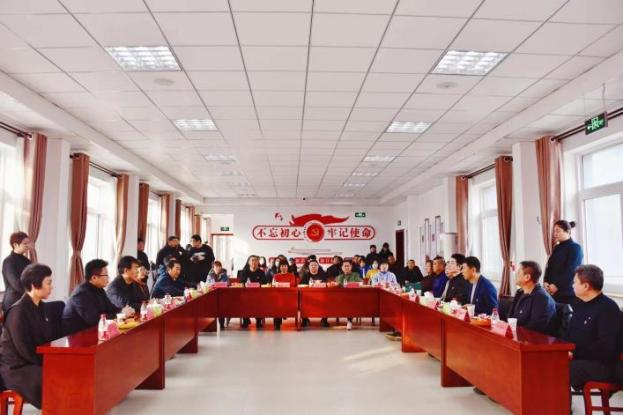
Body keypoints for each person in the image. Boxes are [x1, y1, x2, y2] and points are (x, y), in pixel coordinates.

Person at [0, 263, 55, 409]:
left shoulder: (41, 307)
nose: (51, 287)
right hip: (17, 368)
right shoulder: (18, 311)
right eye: (48, 283)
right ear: (34, 285)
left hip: (33, 361)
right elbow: (25, 350)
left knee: (66, 371)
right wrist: (49, 363)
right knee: (54, 378)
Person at [563, 265, 622, 391]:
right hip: (580, 357)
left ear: (586, 286)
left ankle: (557, 403)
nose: (572, 285)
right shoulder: (580, 304)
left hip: (603, 364)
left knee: (561, 368)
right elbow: (570, 333)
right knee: (549, 361)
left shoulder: (608, 308)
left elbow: (606, 347)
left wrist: (575, 353)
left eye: (575, 282)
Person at [62, 259, 134, 335]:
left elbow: (111, 308)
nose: (108, 278)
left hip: (94, 331)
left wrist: (123, 310)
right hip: (76, 336)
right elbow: (94, 319)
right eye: (106, 275)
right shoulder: (81, 294)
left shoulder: (99, 289)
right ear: (94, 278)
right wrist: (121, 314)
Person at [507, 261, 556, 334]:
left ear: (527, 277)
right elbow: (511, 317)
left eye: (518, 272)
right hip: (517, 334)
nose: (516, 275)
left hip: (534, 338)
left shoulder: (542, 298)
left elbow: (534, 329)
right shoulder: (520, 292)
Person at [543, 220, 584, 304]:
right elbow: (549, 266)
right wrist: (546, 281)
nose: (555, 234)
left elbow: (571, 270)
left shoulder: (575, 247)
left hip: (568, 294)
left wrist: (556, 285)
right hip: (552, 292)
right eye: (554, 231)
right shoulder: (557, 247)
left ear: (568, 231)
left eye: (557, 231)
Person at [2, 231, 31, 314]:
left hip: (26, 300)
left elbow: (33, 279)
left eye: (28, 243)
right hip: (13, 303)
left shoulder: (27, 261)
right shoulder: (8, 262)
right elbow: (17, 285)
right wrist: (33, 293)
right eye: (25, 244)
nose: (28, 246)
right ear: (15, 245)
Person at [240, 255, 268, 329]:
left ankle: (258, 320)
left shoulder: (261, 272)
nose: (254, 262)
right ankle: (246, 320)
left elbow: (264, 284)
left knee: (260, 302)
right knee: (243, 301)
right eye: (252, 260)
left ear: (258, 262)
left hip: (258, 294)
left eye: (256, 260)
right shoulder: (244, 272)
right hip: (246, 294)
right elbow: (241, 283)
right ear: (249, 262)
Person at [300, 260, 329, 327]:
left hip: (321, 296)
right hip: (308, 297)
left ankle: (324, 320)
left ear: (318, 266)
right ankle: (304, 320)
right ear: (309, 267)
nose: (313, 266)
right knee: (301, 301)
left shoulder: (323, 274)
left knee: (327, 301)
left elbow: (326, 284)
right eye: (312, 265)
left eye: (315, 265)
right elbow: (301, 285)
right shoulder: (306, 275)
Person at [336, 260, 362, 330]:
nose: (346, 267)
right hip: (341, 297)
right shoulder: (339, 276)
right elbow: (337, 286)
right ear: (342, 268)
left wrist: (348, 285)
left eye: (348, 266)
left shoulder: (356, 274)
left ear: (351, 267)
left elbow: (359, 284)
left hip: (354, 296)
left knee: (350, 302)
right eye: (345, 266)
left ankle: (349, 321)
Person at [272, 262, 298, 330]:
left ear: (287, 267)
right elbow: (274, 285)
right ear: (279, 267)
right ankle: (277, 323)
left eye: (285, 266)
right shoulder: (276, 275)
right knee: (277, 304)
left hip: (290, 296)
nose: (283, 267)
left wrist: (279, 284)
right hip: (278, 296)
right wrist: (286, 284)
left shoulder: (291, 275)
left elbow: (293, 284)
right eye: (282, 266)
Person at [208, 261, 229, 329]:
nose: (218, 268)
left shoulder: (224, 274)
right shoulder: (209, 275)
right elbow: (208, 284)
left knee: (221, 308)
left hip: (222, 295)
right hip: (212, 295)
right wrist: (216, 285)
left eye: (219, 266)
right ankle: (211, 324)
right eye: (216, 266)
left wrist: (215, 285)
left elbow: (226, 284)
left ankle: (221, 324)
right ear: (213, 268)